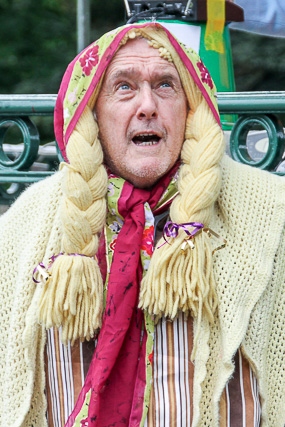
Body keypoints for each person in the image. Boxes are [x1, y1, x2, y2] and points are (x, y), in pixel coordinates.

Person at [0, 22, 285, 427]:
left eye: (166, 85)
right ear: (90, 114)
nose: (147, 105)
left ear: (192, 108)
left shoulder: (271, 212)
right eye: (124, 87)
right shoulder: (23, 228)